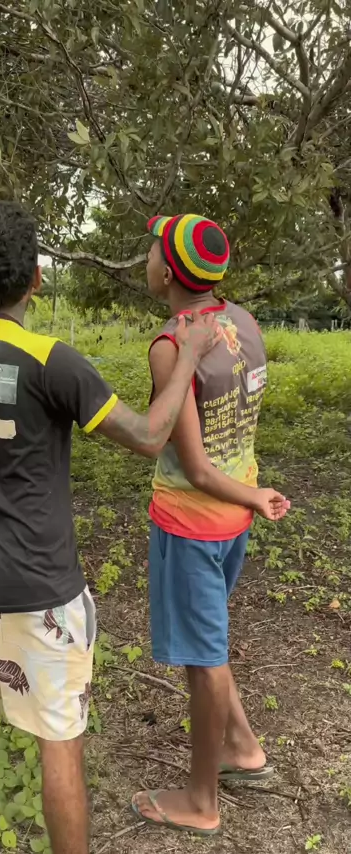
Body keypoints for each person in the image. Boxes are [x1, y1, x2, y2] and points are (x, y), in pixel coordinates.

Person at [0, 201, 222, 854]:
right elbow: (149, 436)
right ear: (36, 279)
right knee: (59, 747)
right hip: (43, 591)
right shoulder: (52, 361)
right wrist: (190, 355)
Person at [132, 214, 290, 836]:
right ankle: (242, 748)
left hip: (192, 523)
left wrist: (254, 495)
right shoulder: (244, 322)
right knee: (210, 643)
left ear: (169, 272)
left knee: (204, 660)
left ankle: (201, 802)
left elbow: (194, 467)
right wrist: (249, 496)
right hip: (231, 523)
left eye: (152, 251)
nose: (146, 259)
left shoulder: (170, 345)